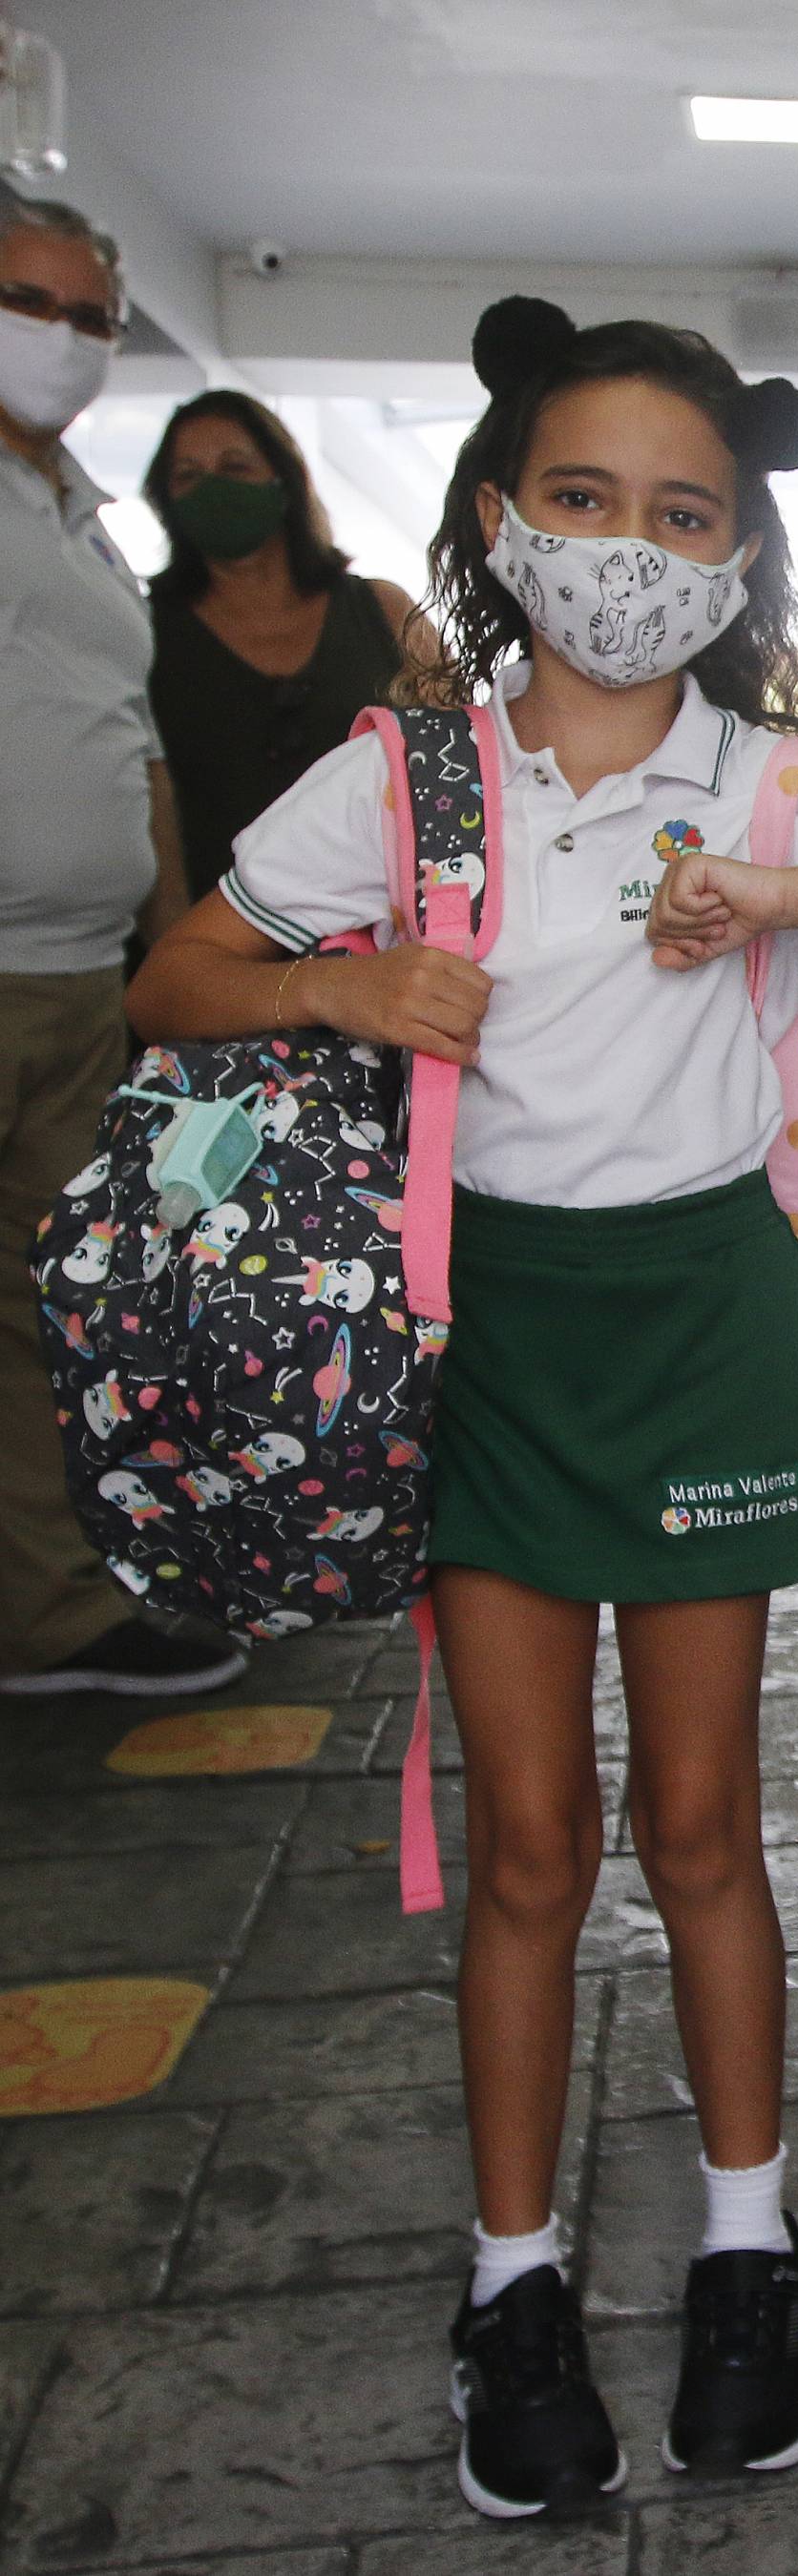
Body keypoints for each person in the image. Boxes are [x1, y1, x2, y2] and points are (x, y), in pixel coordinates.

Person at [128, 296, 798, 2521]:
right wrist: (337, 978)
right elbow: (179, 973)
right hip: (490, 1343)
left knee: (698, 1825)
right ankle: (515, 2274)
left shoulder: (775, 777)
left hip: (704, 1322)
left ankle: (753, 2254)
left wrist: (781, 885)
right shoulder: (410, 768)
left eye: (685, 515)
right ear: (500, 517)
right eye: (584, 499)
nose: (629, 549)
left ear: (740, 561)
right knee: (533, 1847)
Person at [0, 187, 244, 1703]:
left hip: (80, 975)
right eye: (34, 303)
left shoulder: (82, 517)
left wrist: (170, 948)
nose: (69, 340)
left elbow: (133, 746)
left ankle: (52, 1614)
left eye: (94, 315)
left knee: (57, 1304)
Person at [142, 391, 420, 901]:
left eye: (236, 466)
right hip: (214, 938)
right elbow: (142, 800)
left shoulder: (384, 610)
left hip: (378, 936)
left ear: (283, 479)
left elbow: (455, 765)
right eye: (188, 476)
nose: (214, 488)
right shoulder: (144, 630)